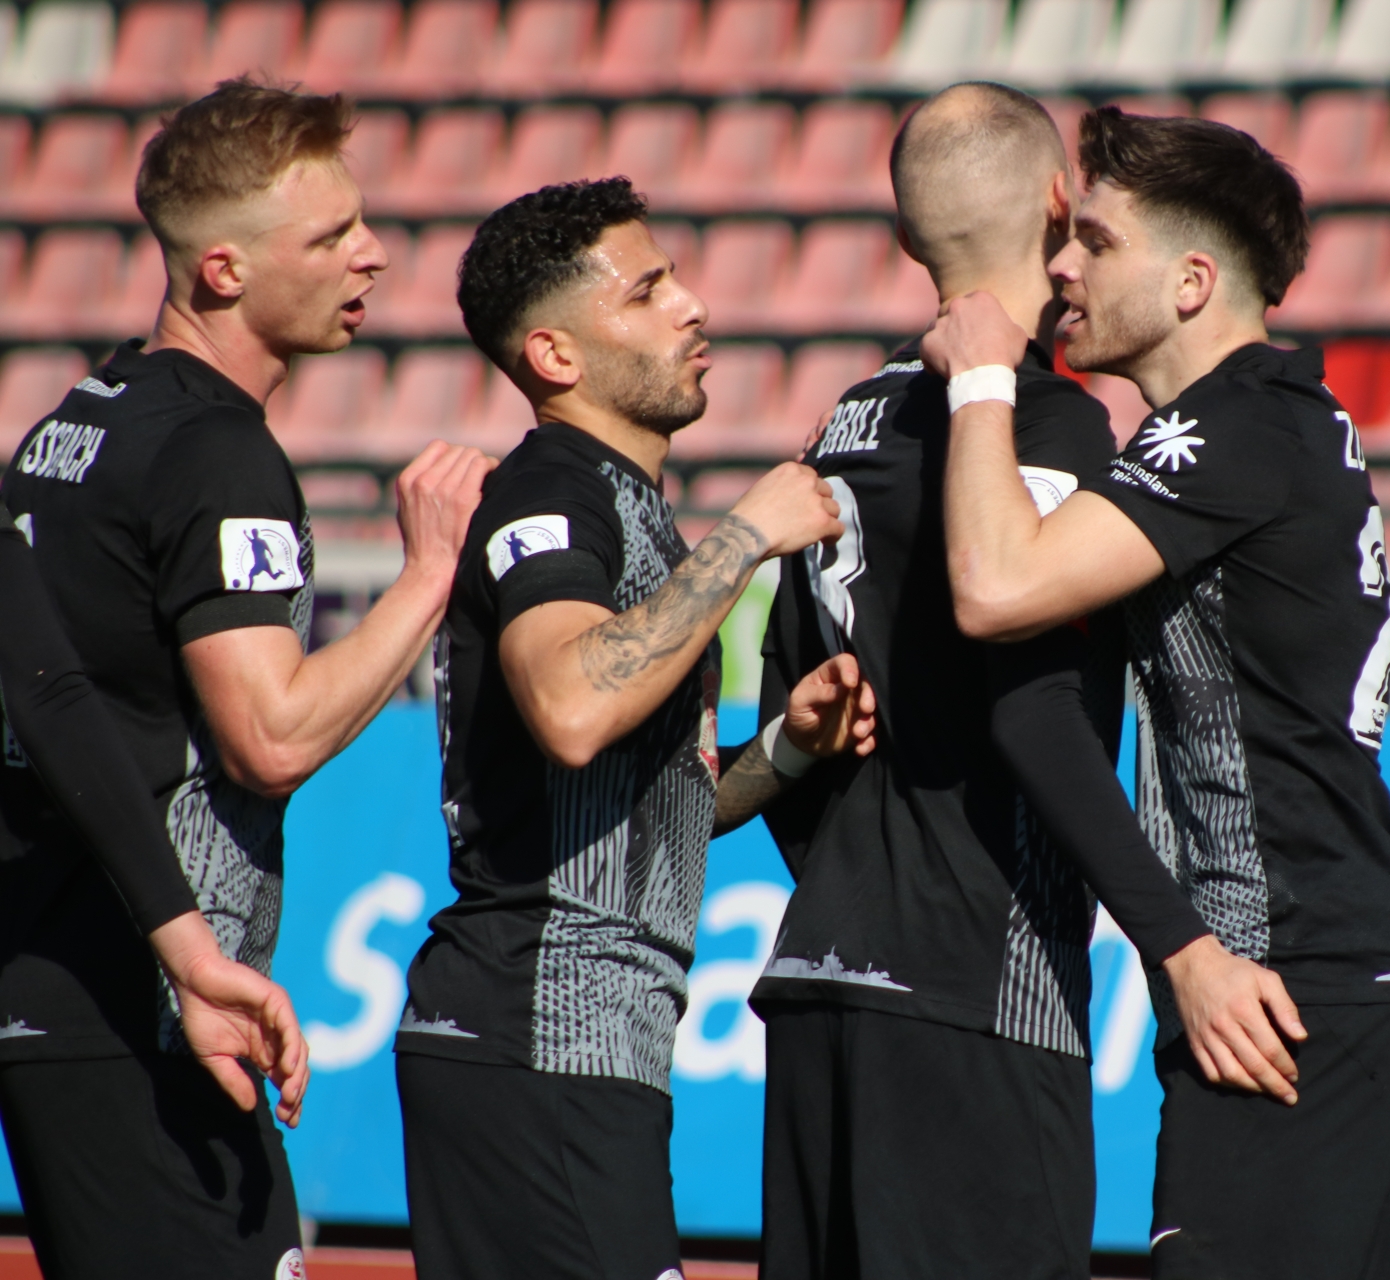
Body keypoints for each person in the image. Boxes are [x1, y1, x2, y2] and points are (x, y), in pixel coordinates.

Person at [929, 106, 1390, 1280]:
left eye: (1098, 241)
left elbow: (996, 586)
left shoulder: (1242, 427)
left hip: (1305, 977)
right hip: (1283, 974)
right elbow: (1032, 703)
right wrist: (1188, 950)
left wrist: (982, 385)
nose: (1063, 264)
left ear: (1192, 282)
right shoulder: (1246, 427)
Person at [751, 83, 1248, 1280]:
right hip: (974, 980)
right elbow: (1038, 712)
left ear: (906, 234)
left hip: (820, 968)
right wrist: (1177, 944)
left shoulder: (841, 425)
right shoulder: (1047, 423)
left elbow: (795, 719)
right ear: (1060, 206)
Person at [0, 78, 490, 1278]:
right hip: (143, 1003)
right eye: (330, 237)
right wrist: (430, 574)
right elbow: (268, 736)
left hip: (60, 973)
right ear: (223, 269)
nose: (372, 254)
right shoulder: (216, 451)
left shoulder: (84, 414)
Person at [395, 178, 872, 1280]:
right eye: (647, 290)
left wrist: (786, 750)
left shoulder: (624, 500)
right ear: (555, 354)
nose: (691, 305)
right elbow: (573, 706)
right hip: (532, 1033)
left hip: (578, 1046)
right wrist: (745, 536)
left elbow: (636, 809)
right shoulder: (551, 492)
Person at [0, 496, 311, 1267]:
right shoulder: (213, 456)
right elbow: (49, 696)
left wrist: (190, 959)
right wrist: (421, 585)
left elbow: (46, 693)